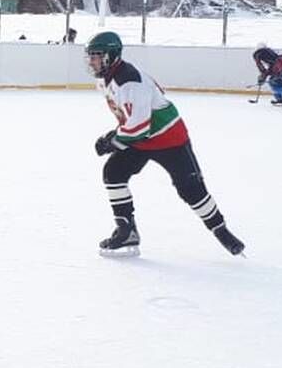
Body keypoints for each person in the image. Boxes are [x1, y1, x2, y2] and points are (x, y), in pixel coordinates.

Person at [86, 31, 244, 258]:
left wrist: (112, 140)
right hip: (140, 139)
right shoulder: (106, 79)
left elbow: (139, 127)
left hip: (168, 137)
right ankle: (126, 231)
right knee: (113, 172)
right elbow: (131, 121)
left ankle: (220, 229)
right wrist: (116, 137)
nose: (92, 61)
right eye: (90, 56)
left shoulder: (129, 81)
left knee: (191, 190)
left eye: (96, 56)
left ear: (111, 56)